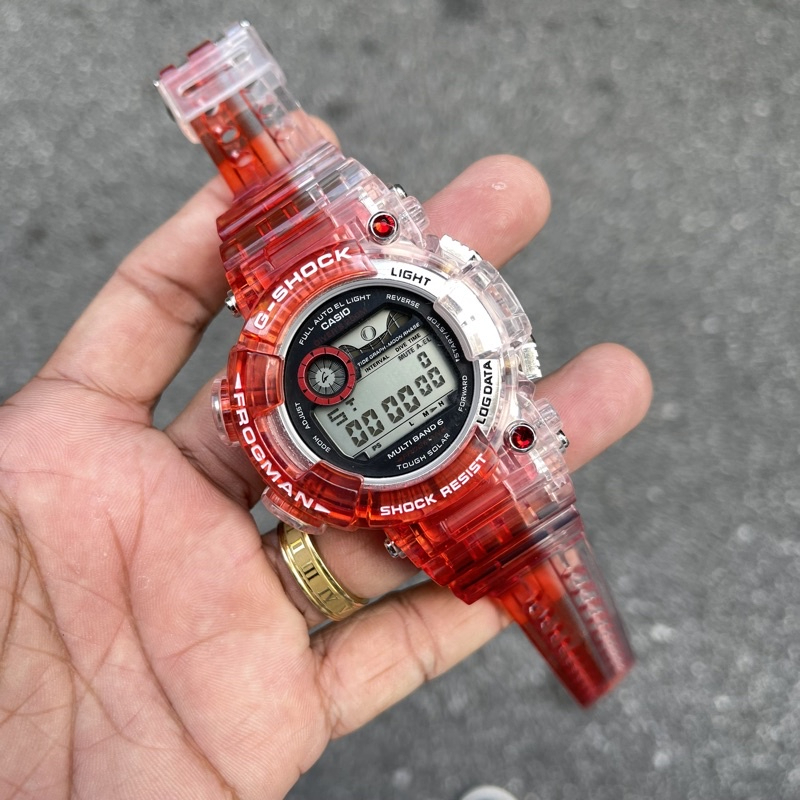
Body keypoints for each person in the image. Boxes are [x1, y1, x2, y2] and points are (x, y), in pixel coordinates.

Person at [0, 118, 652, 799]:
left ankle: (599, 668)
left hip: (463, 436)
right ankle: (599, 671)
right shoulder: (292, 436)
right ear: (246, 421)